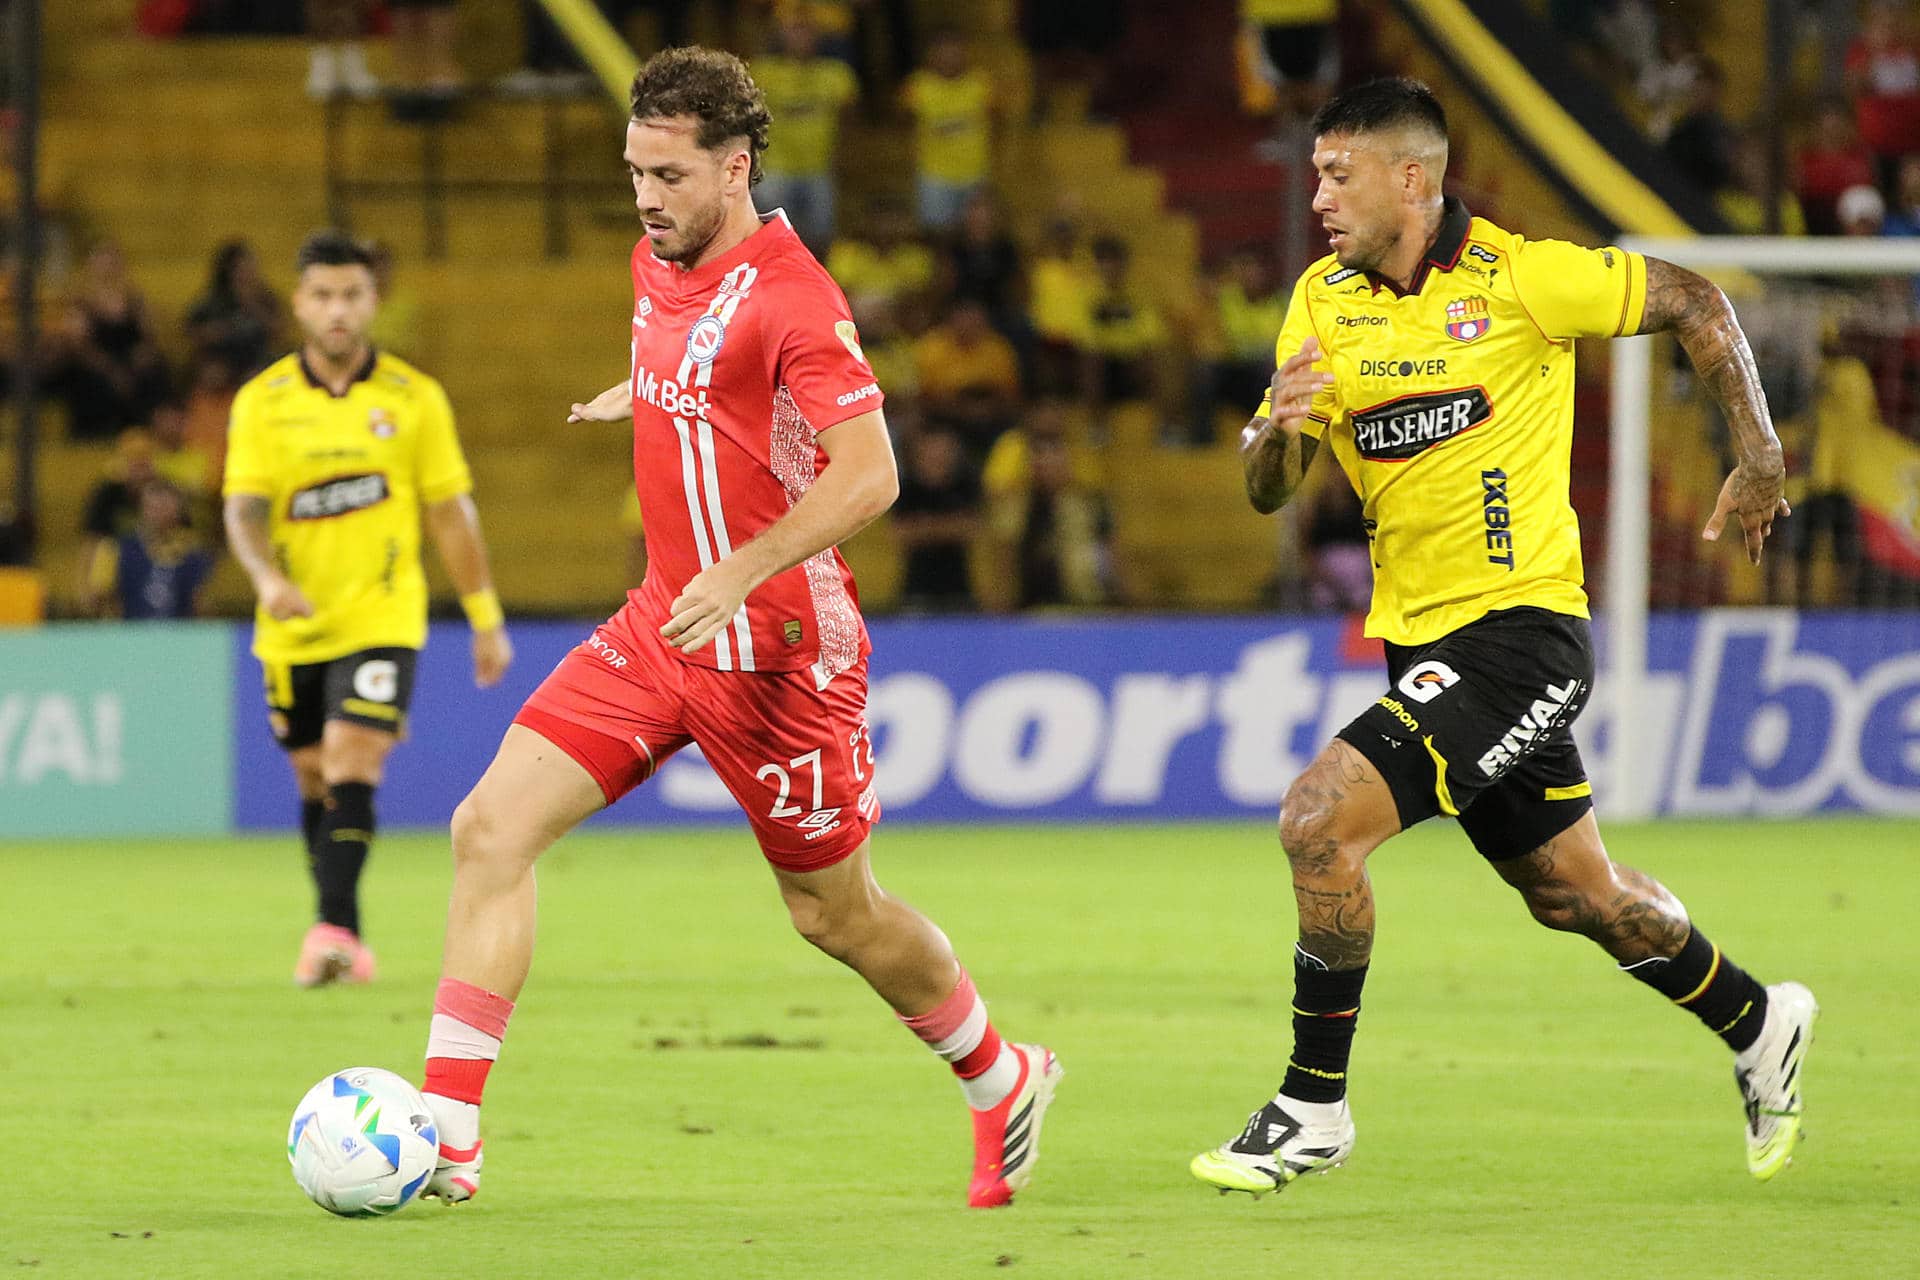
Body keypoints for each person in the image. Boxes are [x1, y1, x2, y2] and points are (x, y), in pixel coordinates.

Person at [412, 46, 1060, 1211]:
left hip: (777, 656)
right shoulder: (654, 260)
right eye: (633, 171)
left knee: (834, 914)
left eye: (666, 173)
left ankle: (999, 1069)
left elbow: (872, 473)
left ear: (735, 166)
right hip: (662, 624)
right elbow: (695, 361)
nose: (645, 196)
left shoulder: (797, 298)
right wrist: (648, 389)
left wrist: (744, 566)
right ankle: (445, 1134)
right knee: (488, 828)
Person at [1189, 78, 1815, 1198]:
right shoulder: (1323, 301)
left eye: (1340, 173)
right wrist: (1278, 433)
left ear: (1413, 180)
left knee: (1317, 821)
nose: (1318, 194)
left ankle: (1311, 1104)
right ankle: (1759, 1016)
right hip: (1419, 642)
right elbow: (1267, 490)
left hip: (1522, 634)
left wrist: (1760, 453)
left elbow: (1697, 300)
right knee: (1579, 894)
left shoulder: (1527, 276)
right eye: (1317, 172)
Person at [222, 230, 513, 989]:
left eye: (351, 294)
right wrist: (265, 580)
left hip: (384, 616)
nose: (338, 311)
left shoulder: (414, 400)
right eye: (322, 295)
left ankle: (331, 934)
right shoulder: (264, 402)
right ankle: (343, 929)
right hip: (292, 622)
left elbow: (451, 514)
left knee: (356, 758)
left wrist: (484, 616)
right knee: (315, 777)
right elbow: (244, 511)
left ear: (373, 301)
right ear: (298, 304)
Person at [751, 12, 859, 251]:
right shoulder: (763, 71)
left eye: (807, 32)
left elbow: (848, 121)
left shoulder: (837, 74)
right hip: (775, 168)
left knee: (821, 237)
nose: (801, 39)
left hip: (819, 167)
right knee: (769, 239)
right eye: (794, 32)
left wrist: (842, 158)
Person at [901, 28, 996, 232]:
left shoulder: (982, 83)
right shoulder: (917, 86)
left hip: (974, 173)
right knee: (935, 234)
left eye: (955, 50)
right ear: (931, 54)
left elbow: (1000, 125)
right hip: (934, 175)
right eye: (943, 51)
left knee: (975, 234)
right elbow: (901, 125)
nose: (949, 57)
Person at [91, 478, 215, 620]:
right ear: (142, 508)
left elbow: (203, 601)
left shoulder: (194, 551)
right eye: (155, 507)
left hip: (181, 635)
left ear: (179, 510)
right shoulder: (114, 548)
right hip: (129, 634)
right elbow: (100, 598)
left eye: (166, 506)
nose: (160, 513)